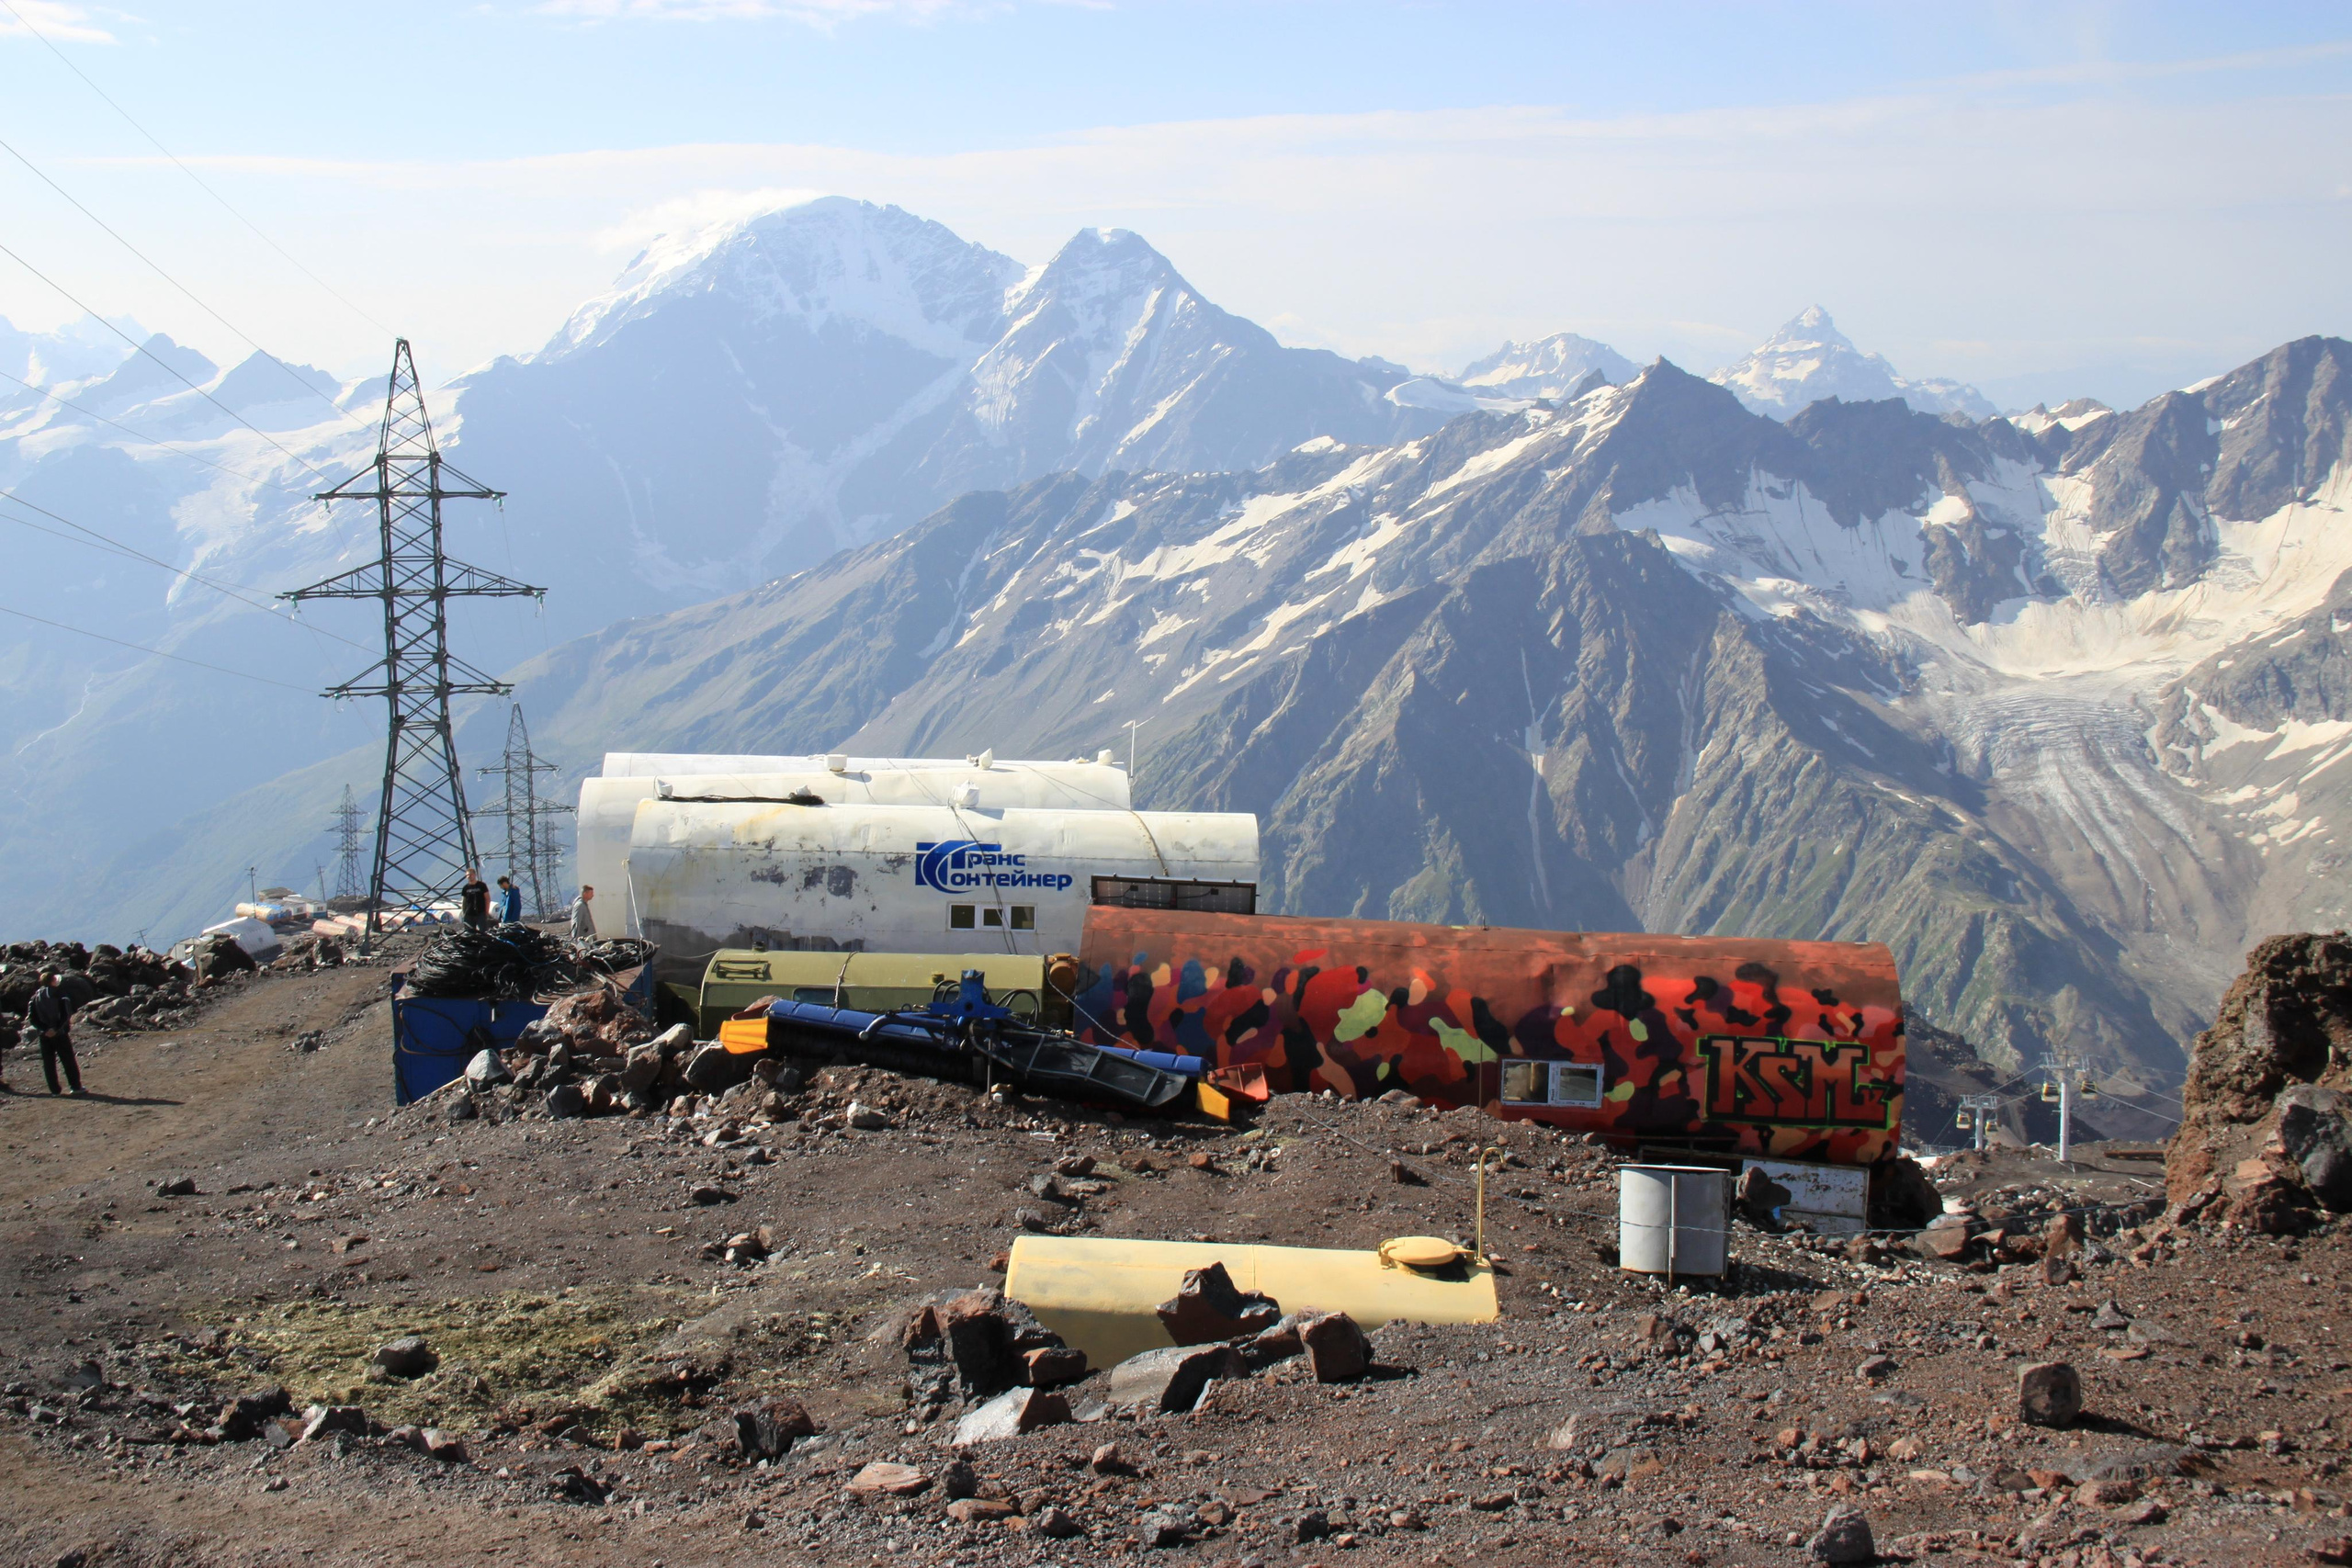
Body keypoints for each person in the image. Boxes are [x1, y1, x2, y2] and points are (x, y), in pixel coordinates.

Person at [25, 971, 85, 1097]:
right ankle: (75, 1086)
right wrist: (56, 1029)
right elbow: (65, 1015)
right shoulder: (60, 994)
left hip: (44, 1035)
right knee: (68, 1060)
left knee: (48, 1063)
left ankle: (54, 1090)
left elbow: (32, 1018)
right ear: (53, 981)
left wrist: (45, 1029)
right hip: (60, 1033)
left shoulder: (34, 997)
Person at [459, 867, 491, 931]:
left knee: (483, 932)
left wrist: (486, 912)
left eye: (470, 875)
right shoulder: (465, 888)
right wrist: (463, 913)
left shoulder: (482, 885)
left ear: (474, 875)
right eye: (467, 875)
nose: (469, 876)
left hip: (481, 913)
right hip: (469, 914)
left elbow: (487, 899)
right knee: (469, 932)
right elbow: (463, 902)